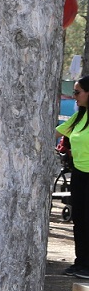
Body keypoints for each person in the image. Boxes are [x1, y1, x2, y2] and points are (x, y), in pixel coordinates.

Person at [59, 75, 89, 277]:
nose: (74, 96)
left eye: (77, 92)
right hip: (79, 175)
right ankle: (81, 263)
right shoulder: (78, 117)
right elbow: (55, 133)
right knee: (79, 219)